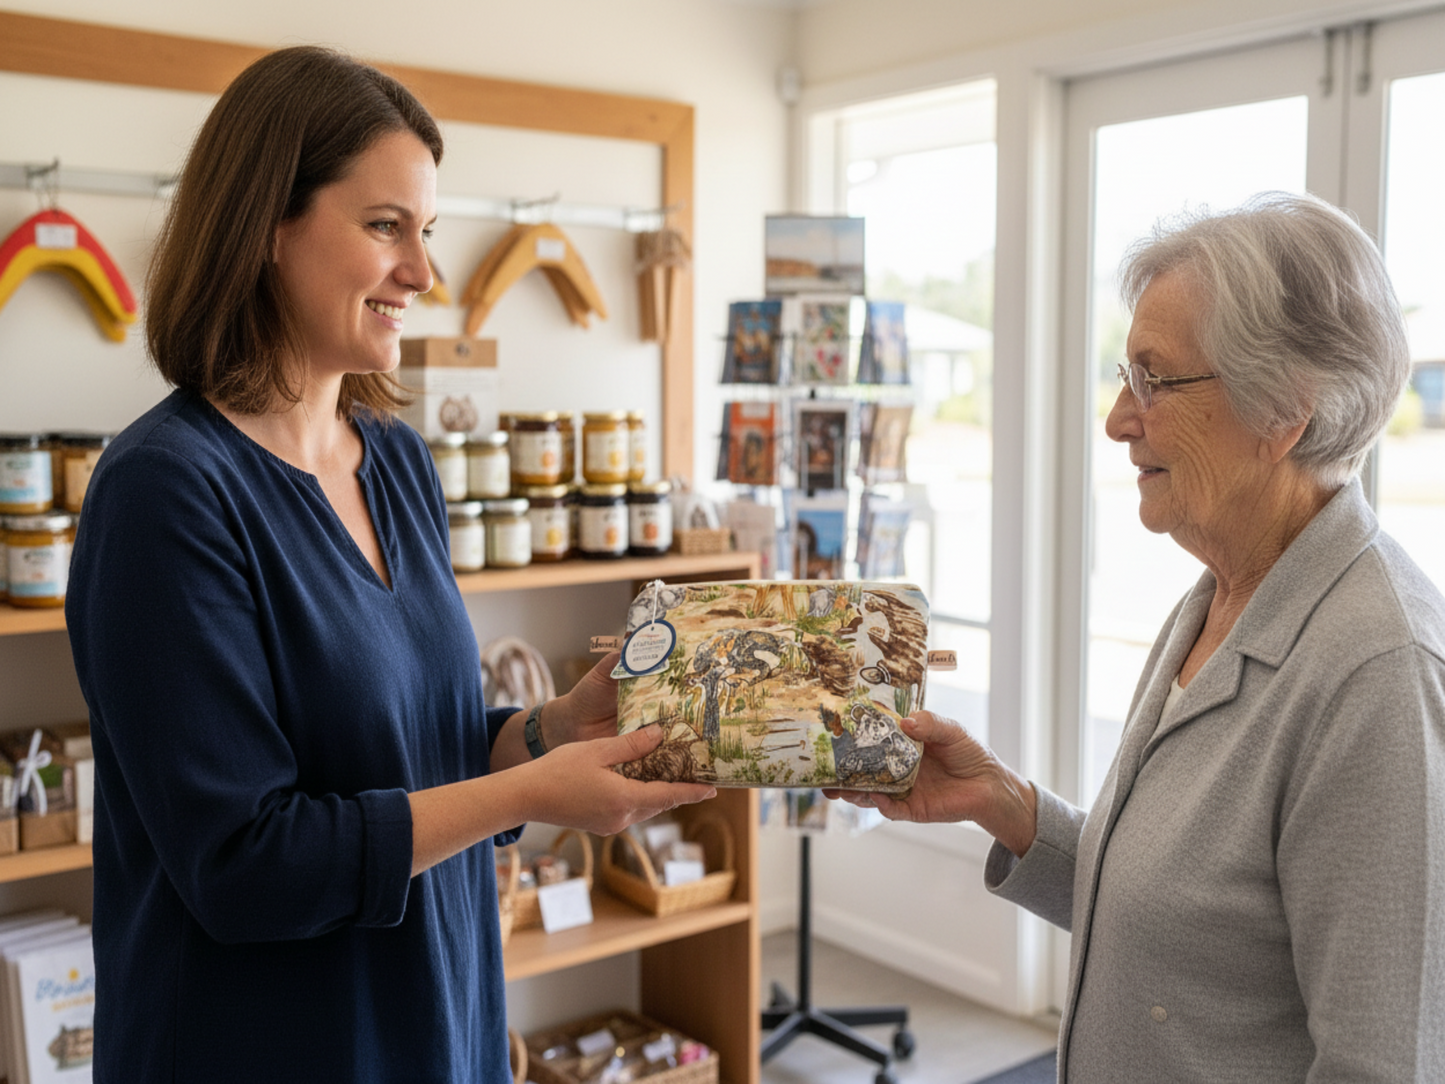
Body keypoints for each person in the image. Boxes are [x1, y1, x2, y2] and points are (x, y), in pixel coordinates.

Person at [64, 46, 715, 1084]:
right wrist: (531, 793)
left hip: (435, 1021)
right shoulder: (166, 491)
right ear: (267, 226)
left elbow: (417, 747)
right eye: (385, 227)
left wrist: (549, 730)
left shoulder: (399, 464)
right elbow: (241, 865)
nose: (422, 273)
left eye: (427, 233)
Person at [830, 192, 1445, 1082]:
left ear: (1284, 411)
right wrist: (1006, 804)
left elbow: (1383, 1064)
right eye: (1126, 376)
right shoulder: (1219, 595)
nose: (1119, 417)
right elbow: (1194, 929)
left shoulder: (1378, 679)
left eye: (1154, 380)